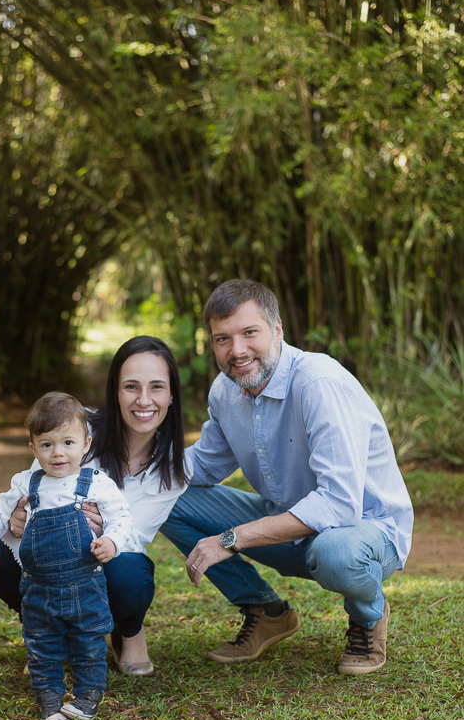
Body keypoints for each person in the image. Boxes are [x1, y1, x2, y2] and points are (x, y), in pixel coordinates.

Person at [160, 279, 414, 676]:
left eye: (249, 333)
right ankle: (267, 611)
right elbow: (202, 466)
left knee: (334, 551)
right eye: (222, 339)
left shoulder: (319, 383)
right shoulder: (226, 391)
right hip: (289, 531)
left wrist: (233, 538)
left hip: (361, 534)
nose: (236, 351)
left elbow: (339, 505)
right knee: (168, 494)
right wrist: (124, 467)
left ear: (277, 330)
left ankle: (368, 618)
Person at [0, 336, 191, 677]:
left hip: (102, 559)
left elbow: (134, 537)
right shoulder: (74, 427)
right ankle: (50, 630)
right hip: (49, 560)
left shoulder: (175, 468)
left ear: (172, 395)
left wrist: (100, 529)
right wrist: (21, 520)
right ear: (115, 392)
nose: (144, 400)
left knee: (131, 575)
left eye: (157, 387)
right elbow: (33, 497)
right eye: (131, 387)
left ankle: (128, 630)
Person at [0, 392, 134, 720]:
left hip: (85, 583)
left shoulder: (96, 483)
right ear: (33, 449)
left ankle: (88, 697)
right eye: (46, 444)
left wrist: (112, 541)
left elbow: (122, 517)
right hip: (39, 588)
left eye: (68, 442)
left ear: (86, 443)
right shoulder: (26, 483)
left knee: (88, 643)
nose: (58, 453)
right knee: (41, 645)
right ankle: (49, 698)